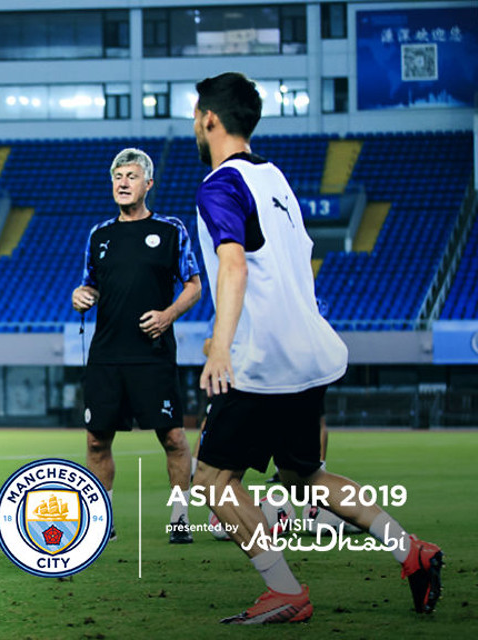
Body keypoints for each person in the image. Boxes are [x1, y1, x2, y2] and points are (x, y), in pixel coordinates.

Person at [191, 71, 442, 624]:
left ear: (208, 118)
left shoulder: (219, 185)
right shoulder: (275, 179)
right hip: (305, 353)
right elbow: (294, 263)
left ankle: (284, 589)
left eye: (195, 115)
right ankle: (412, 552)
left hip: (263, 362)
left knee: (213, 480)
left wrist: (221, 347)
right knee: (303, 478)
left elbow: (234, 265)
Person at [71, 148, 202, 543]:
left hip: (152, 353)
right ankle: (104, 520)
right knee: (97, 439)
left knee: (173, 438)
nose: (123, 183)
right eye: (117, 177)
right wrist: (81, 294)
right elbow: (90, 284)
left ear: (148, 184)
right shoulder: (99, 234)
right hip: (107, 353)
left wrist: (167, 315)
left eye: (131, 176)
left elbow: (194, 285)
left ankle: (180, 516)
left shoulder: (171, 230)